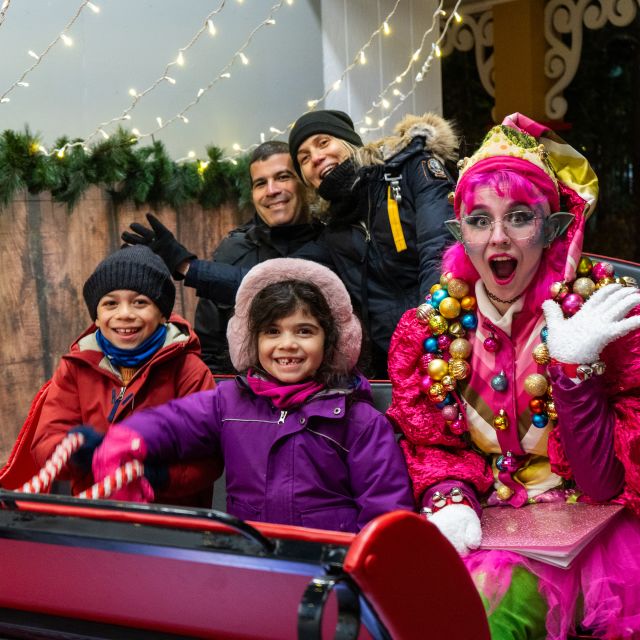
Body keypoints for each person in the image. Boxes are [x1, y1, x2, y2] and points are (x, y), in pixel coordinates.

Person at [386, 113, 640, 639]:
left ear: (552, 227)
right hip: (483, 531)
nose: (497, 237)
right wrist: (450, 496)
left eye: (518, 216)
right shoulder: (431, 328)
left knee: (491, 623)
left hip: (592, 544)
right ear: (461, 232)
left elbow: (603, 483)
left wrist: (574, 372)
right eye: (479, 220)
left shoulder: (602, 313)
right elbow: (432, 444)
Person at [121, 111, 457, 378]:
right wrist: (188, 267)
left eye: (324, 143)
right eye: (305, 157)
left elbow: (439, 252)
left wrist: (425, 331)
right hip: (390, 368)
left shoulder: (409, 170)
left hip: (446, 340)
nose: (317, 158)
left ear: (350, 142)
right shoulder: (334, 229)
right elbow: (275, 282)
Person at [90, 257, 415, 532]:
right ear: (252, 341)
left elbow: (385, 511)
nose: (287, 344)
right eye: (272, 332)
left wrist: (357, 578)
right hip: (251, 565)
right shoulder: (229, 402)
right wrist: (128, 439)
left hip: (328, 574)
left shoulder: (360, 421)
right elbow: (174, 422)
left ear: (329, 341)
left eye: (304, 331)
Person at [30, 245, 220, 506]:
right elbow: (45, 443)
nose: (125, 314)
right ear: (96, 317)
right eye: (110, 304)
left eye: (140, 302)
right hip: (96, 513)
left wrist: (156, 476)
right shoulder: (76, 368)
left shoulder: (189, 370)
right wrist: (79, 452)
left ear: (162, 313)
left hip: (172, 520)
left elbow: (209, 458)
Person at [122, 141, 319, 374]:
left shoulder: (331, 241)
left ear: (305, 183)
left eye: (283, 177)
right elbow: (209, 347)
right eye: (260, 183)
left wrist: (187, 266)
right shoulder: (234, 249)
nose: (271, 190)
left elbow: (284, 287)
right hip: (246, 397)